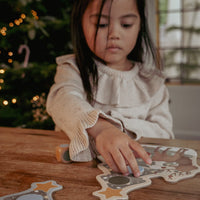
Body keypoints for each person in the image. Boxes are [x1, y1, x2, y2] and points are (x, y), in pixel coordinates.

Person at [46, 0, 174, 177]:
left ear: (140, 27)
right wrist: (101, 129)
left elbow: (164, 134)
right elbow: (62, 99)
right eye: (102, 24)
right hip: (78, 174)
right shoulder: (73, 69)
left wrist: (117, 127)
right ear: (80, 24)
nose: (114, 34)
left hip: (136, 174)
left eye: (126, 24)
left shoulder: (152, 81)